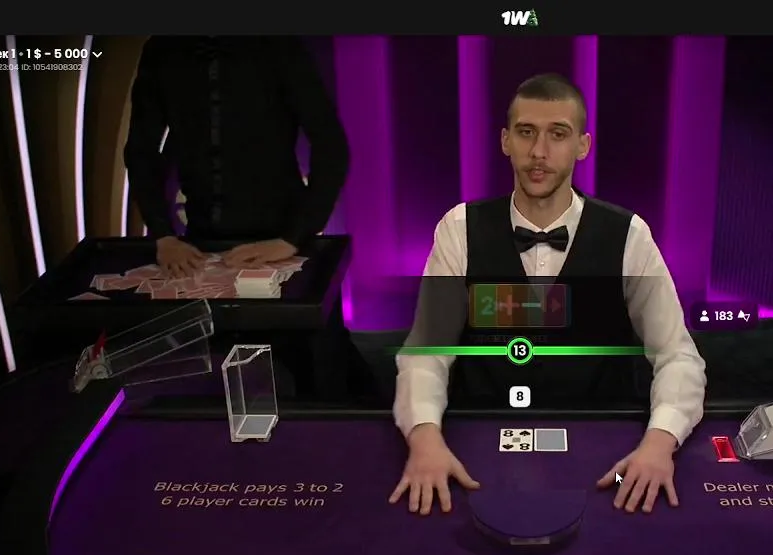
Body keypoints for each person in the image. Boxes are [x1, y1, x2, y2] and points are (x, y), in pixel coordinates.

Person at [390, 73, 706, 517]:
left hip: (604, 449)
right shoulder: (459, 229)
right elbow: (427, 352)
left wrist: (659, 443)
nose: (539, 152)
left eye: (558, 134)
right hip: (481, 440)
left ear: (583, 145)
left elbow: (677, 354)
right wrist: (425, 440)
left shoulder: (629, 235)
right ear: (505, 141)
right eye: (526, 132)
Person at [124, 36, 350, 275]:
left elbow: (330, 144)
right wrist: (164, 236)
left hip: (281, 238)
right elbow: (141, 150)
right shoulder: (162, 49)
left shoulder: (278, 44)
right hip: (200, 243)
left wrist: (293, 237)